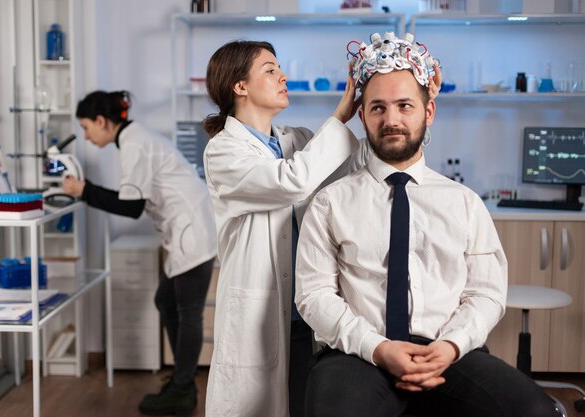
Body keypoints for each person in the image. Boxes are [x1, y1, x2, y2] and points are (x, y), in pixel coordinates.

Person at [294, 33, 561, 417]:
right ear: (363, 115)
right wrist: (379, 348)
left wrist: (451, 346)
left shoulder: (464, 202)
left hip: (446, 352)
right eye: (378, 108)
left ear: (428, 111)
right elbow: (314, 296)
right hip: (357, 352)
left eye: (405, 105)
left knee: (534, 411)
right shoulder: (330, 202)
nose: (392, 120)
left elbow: (485, 293)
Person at [202, 40, 443, 417]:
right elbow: (292, 182)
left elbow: (361, 163)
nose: (283, 76)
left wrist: (393, 102)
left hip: (308, 311)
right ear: (239, 86)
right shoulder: (223, 152)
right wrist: (342, 114)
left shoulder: (295, 139)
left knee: (303, 402)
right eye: (270, 70)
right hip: (261, 312)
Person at [63, 90, 217, 417]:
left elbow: (131, 206)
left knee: (188, 312)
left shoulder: (133, 143)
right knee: (166, 302)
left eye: (87, 127)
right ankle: (181, 382)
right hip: (186, 229)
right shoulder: (133, 138)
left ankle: (182, 389)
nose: (87, 136)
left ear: (102, 121)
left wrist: (83, 190)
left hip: (193, 231)